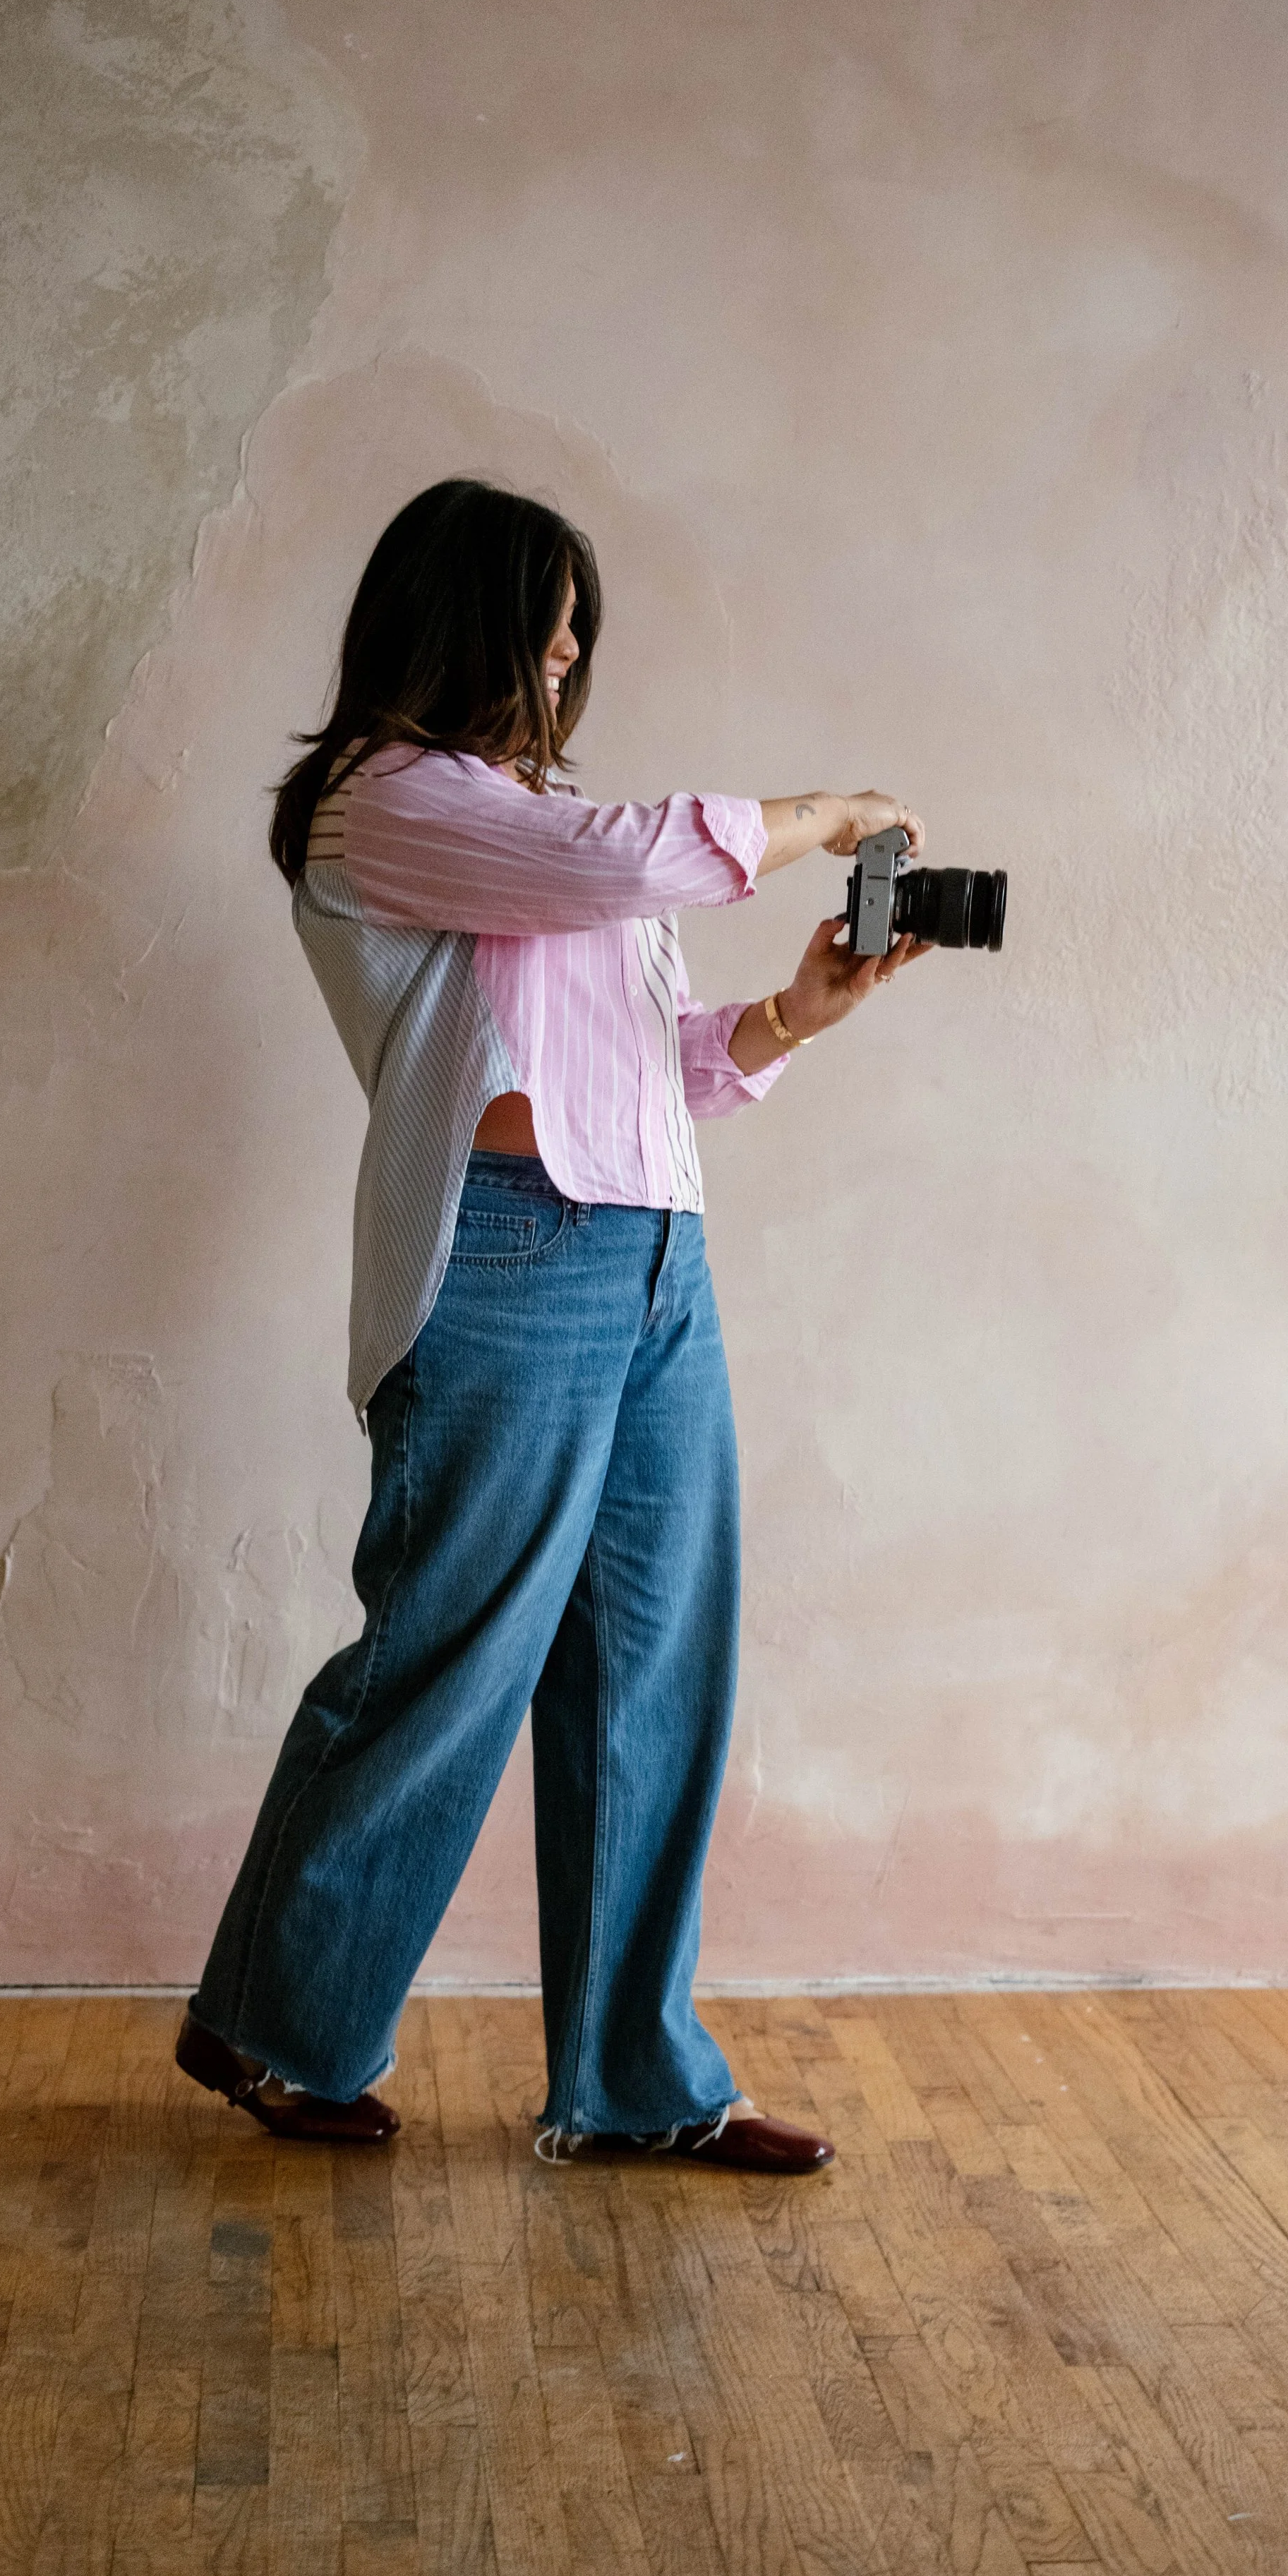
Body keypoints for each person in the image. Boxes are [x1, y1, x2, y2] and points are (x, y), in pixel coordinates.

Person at [176, 477, 928, 2172]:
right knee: (450, 1658)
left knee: (656, 1668)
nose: (568, 654)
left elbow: (638, 1079)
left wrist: (796, 1014)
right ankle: (272, 2022)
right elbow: (627, 853)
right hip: (505, 1263)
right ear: (455, 621)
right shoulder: (389, 805)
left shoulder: (542, 839)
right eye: (545, 617)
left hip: (656, 1258)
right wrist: (822, 808)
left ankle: (635, 2084)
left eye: (581, 625)